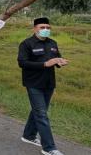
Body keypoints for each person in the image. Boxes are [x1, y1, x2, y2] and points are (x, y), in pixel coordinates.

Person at [17, 17, 68, 155]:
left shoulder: (53, 43)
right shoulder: (26, 44)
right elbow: (22, 63)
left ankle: (28, 135)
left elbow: (56, 58)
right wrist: (44, 64)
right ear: (35, 29)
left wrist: (59, 61)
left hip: (49, 83)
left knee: (38, 111)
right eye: (42, 27)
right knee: (41, 114)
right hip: (33, 83)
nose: (46, 30)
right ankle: (49, 148)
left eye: (48, 27)